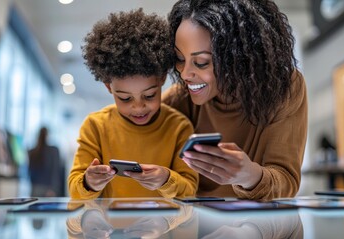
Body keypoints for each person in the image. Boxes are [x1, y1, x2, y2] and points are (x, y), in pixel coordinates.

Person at [162, 0, 308, 200]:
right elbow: (120, 122)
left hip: (259, 227)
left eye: (201, 62)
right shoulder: (179, 98)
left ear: (238, 58)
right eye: (180, 59)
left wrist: (249, 176)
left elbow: (287, 180)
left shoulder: (284, 87)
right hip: (194, 223)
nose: (186, 74)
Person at [68, 9, 198, 199]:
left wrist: (166, 179)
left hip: (164, 227)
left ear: (162, 79)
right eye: (125, 98)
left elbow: (190, 189)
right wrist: (89, 182)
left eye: (150, 95)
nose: (138, 107)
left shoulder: (179, 127)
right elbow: (75, 188)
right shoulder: (95, 126)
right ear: (108, 87)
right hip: (111, 227)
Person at [28, 127, 64, 197]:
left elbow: (30, 173)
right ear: (48, 135)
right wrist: (54, 189)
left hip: (35, 190)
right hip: (49, 190)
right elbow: (55, 171)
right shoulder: (54, 150)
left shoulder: (32, 152)